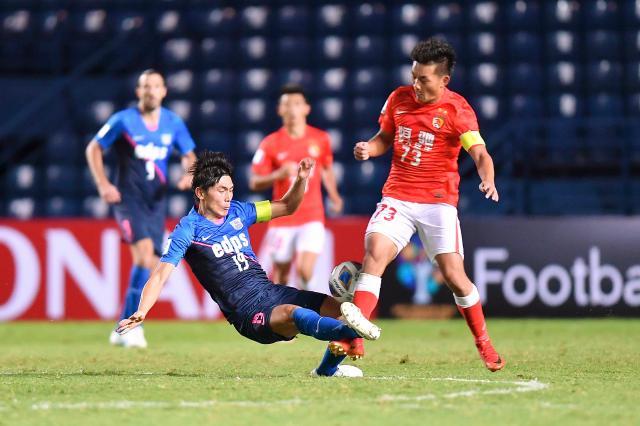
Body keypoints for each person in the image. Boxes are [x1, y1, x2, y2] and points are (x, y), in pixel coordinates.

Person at [116, 151, 381, 377]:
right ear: (200, 193)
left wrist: (301, 180)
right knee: (295, 313)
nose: (228, 196)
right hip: (247, 312)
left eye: (231, 190)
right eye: (221, 190)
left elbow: (287, 206)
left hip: (271, 291)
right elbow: (160, 275)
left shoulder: (240, 211)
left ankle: (327, 369)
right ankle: (350, 332)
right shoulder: (188, 230)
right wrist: (142, 311)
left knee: (334, 307)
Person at [331, 37, 505, 372]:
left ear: (444, 80)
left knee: (454, 276)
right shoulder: (398, 98)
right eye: (413, 77)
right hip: (398, 195)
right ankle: (354, 339)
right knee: (375, 253)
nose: (416, 84)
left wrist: (488, 178)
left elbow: (480, 153)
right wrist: (369, 149)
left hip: (438, 203)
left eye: (424, 79)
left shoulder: (457, 110)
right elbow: (384, 138)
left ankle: (483, 342)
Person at [86, 69, 196, 348]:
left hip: (156, 202)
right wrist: (103, 184)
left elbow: (189, 155)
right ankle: (134, 327)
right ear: (138, 91)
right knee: (145, 256)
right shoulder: (123, 120)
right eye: (146, 86)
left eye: (156, 86)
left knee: (150, 264)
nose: (150, 91)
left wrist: (189, 174)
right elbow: (94, 148)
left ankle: (121, 327)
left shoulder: (173, 122)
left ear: (164, 91)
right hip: (129, 199)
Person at [249, 84, 343, 289]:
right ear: (279, 110)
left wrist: (334, 195)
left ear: (306, 109)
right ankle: (286, 308)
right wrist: (279, 174)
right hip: (282, 218)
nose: (292, 109)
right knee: (281, 277)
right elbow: (254, 182)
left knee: (304, 270)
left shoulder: (320, 139)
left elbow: (326, 169)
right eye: (287, 104)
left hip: (312, 215)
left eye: (297, 104)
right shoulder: (270, 143)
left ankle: (308, 306)